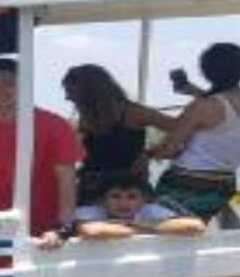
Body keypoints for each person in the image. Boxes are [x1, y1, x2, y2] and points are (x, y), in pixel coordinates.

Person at [0, 57, 84, 240]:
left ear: (24, 86)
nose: (0, 91)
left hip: (48, 224)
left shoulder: (56, 124)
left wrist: (65, 225)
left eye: (8, 83)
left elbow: (66, 177)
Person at [149, 43, 240, 226]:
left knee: (165, 235)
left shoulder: (202, 106)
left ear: (206, 72)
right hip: (223, 184)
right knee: (193, 234)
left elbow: (169, 149)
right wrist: (195, 92)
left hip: (187, 183)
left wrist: (149, 153)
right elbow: (227, 112)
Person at [61, 64, 178, 205]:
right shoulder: (88, 115)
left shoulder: (133, 112)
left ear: (89, 91)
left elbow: (181, 127)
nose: (67, 97)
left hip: (129, 188)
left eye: (70, 91)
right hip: (92, 187)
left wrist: (150, 154)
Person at [65, 174, 206, 243]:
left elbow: (196, 226)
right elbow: (93, 231)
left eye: (132, 197)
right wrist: (149, 230)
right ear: (102, 201)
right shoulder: (89, 211)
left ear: (143, 201)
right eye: (115, 196)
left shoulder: (150, 209)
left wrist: (139, 226)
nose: (123, 203)